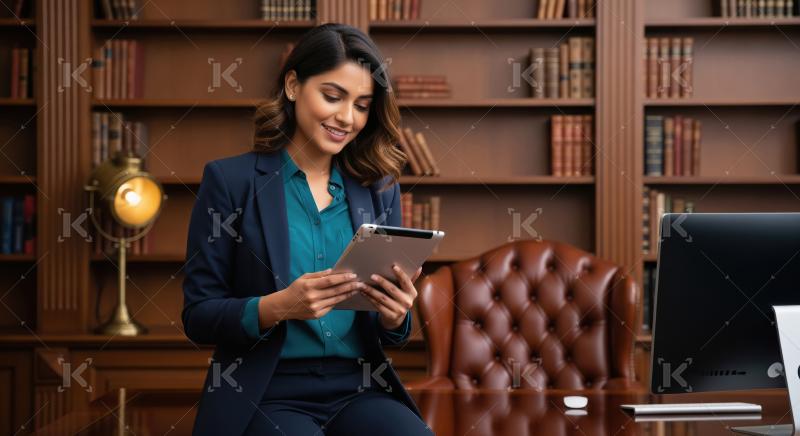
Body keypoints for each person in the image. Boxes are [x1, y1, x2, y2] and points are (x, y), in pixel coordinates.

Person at [182, 23, 433, 436]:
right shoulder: (230, 182)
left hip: (360, 387)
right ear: (294, 85)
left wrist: (396, 316)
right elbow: (198, 316)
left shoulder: (380, 187)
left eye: (362, 105)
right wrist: (280, 305)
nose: (346, 118)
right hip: (266, 391)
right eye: (332, 97)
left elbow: (390, 332)